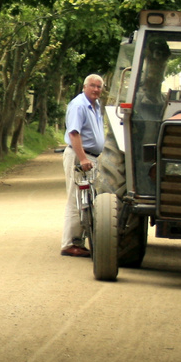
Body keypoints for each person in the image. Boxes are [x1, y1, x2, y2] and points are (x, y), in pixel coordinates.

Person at [62, 73, 104, 257]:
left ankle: (81, 240)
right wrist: (83, 158)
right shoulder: (79, 105)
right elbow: (74, 133)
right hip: (80, 156)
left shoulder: (96, 106)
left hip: (91, 157)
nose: (96, 89)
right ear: (84, 87)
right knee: (76, 198)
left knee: (87, 199)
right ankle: (70, 243)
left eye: (99, 87)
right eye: (93, 86)